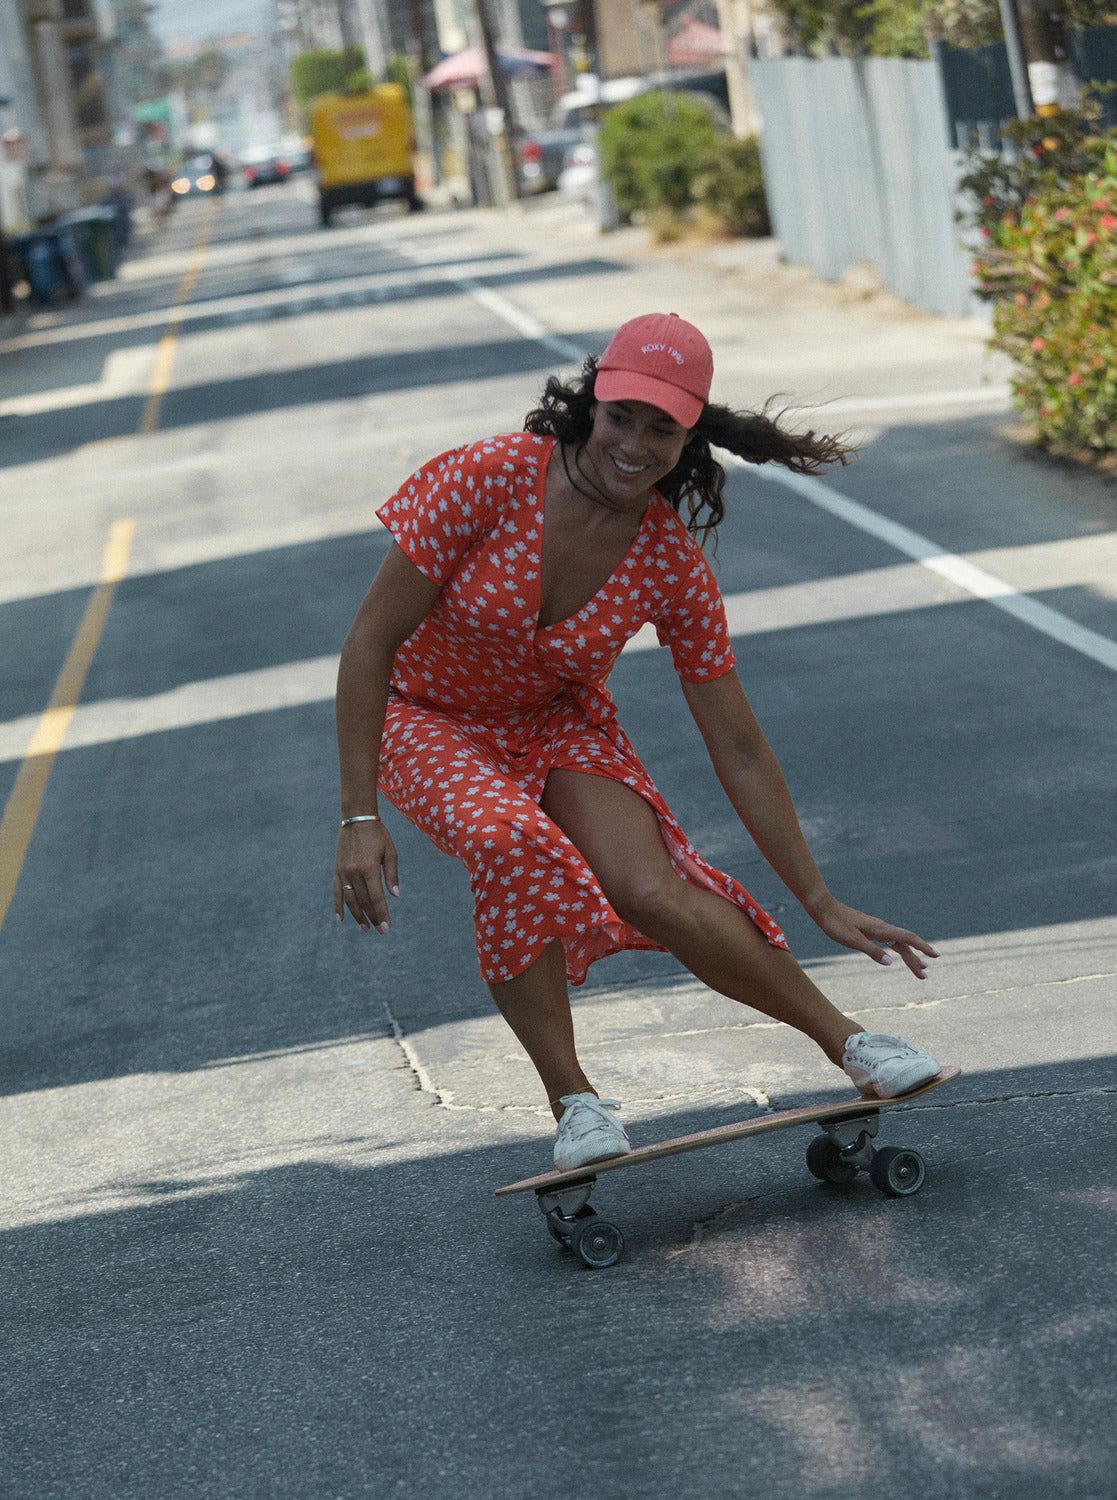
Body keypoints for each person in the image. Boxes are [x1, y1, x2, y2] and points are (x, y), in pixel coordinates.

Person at [334, 312, 942, 1172]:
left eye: (663, 428)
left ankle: (854, 1046)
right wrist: (357, 814)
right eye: (621, 415)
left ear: (689, 436)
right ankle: (574, 1103)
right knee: (508, 842)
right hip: (424, 716)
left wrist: (817, 899)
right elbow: (368, 643)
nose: (634, 443)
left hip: (553, 721)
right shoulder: (483, 479)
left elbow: (735, 742)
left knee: (648, 886)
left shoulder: (667, 558)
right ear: (590, 404)